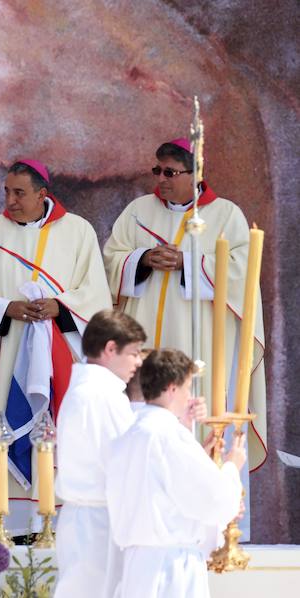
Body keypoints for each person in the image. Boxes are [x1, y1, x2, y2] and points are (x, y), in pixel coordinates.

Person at [103, 138, 266, 533]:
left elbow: (242, 273)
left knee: (200, 421)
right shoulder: (137, 211)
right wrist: (140, 260)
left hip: (200, 345)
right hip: (145, 342)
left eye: (170, 173)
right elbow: (110, 257)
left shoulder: (225, 215)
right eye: (156, 170)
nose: (161, 180)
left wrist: (187, 264)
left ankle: (215, 527)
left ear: (196, 175)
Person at [0, 159, 111, 538]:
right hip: (3, 355)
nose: (10, 200)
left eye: (19, 193)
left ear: (43, 194)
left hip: (58, 354)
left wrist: (61, 306)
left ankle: (54, 526)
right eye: (6, 191)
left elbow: (95, 295)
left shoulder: (78, 232)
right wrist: (5, 308)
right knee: (0, 434)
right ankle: (2, 531)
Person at [106, 348, 244, 598]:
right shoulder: (169, 435)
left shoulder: (127, 436)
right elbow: (214, 501)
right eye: (187, 388)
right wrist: (232, 467)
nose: (188, 396)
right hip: (171, 571)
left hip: (134, 567)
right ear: (171, 388)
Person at [54, 310, 145, 598]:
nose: (139, 361)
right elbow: (127, 460)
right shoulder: (97, 395)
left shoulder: (98, 391)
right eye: (133, 353)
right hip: (96, 525)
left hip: (95, 518)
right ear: (110, 349)